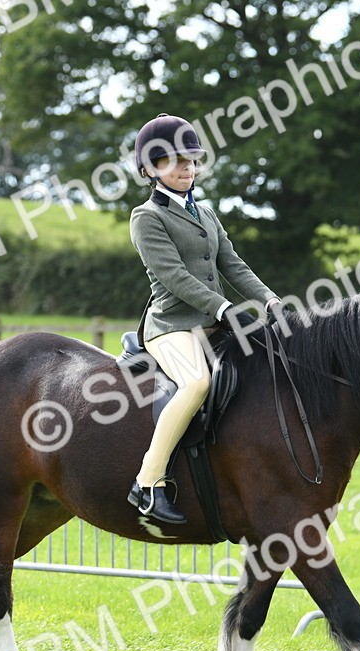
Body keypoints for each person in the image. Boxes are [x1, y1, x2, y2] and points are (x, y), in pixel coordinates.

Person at [127, 113, 281, 524]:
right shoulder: (146, 217)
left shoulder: (207, 214)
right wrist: (225, 309)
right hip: (171, 327)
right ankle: (148, 483)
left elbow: (233, 265)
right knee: (197, 383)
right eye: (174, 161)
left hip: (213, 323)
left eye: (191, 160)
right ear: (150, 170)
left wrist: (268, 299)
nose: (186, 168)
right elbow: (174, 277)